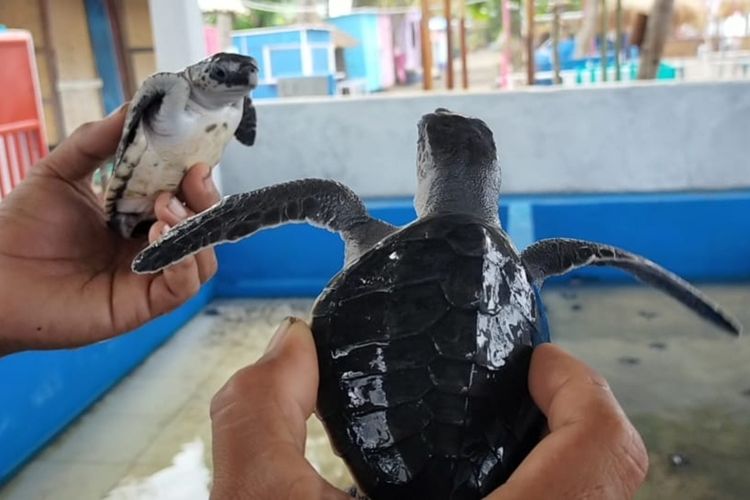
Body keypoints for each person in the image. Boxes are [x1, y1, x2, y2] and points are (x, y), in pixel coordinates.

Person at [0, 108, 648, 498]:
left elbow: (298, 202)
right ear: (490, 178)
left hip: (380, 456)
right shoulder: (529, 261)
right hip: (494, 470)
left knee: (322, 195)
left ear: (427, 167)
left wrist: (168, 245)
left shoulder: (357, 224)